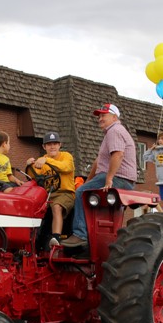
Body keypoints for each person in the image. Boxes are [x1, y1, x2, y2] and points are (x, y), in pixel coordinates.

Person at [62, 103, 137, 249]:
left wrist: (109, 179)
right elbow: (99, 161)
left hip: (119, 178)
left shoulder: (114, 131)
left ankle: (80, 235)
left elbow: (118, 154)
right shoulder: (111, 133)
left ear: (114, 117)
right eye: (99, 116)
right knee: (83, 190)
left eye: (104, 115)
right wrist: (88, 181)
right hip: (117, 177)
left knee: (80, 193)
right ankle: (90, 241)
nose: (100, 118)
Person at [26, 131, 75, 248]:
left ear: (59, 145)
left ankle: (56, 238)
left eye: (55, 143)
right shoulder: (41, 160)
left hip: (65, 193)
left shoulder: (66, 156)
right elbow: (33, 176)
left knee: (56, 206)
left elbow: (66, 167)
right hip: (47, 195)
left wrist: (46, 160)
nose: (52, 146)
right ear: (44, 147)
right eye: (49, 144)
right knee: (31, 208)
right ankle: (30, 242)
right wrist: (29, 165)